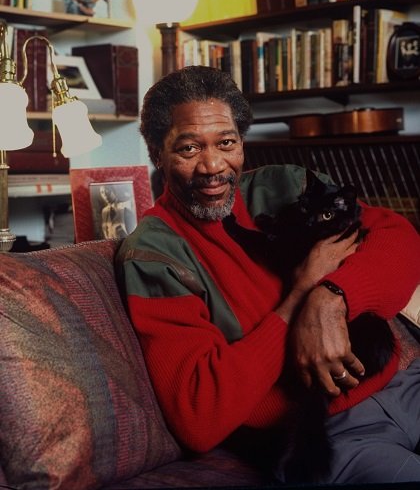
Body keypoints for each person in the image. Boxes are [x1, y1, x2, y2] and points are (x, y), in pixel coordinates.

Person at [116, 65, 420, 484]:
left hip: (406, 385)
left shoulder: (286, 185)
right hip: (327, 435)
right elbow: (199, 416)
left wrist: (330, 297)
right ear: (156, 154)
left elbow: (398, 238)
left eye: (226, 143)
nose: (212, 166)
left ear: (241, 142)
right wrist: (297, 299)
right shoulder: (153, 255)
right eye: (188, 149)